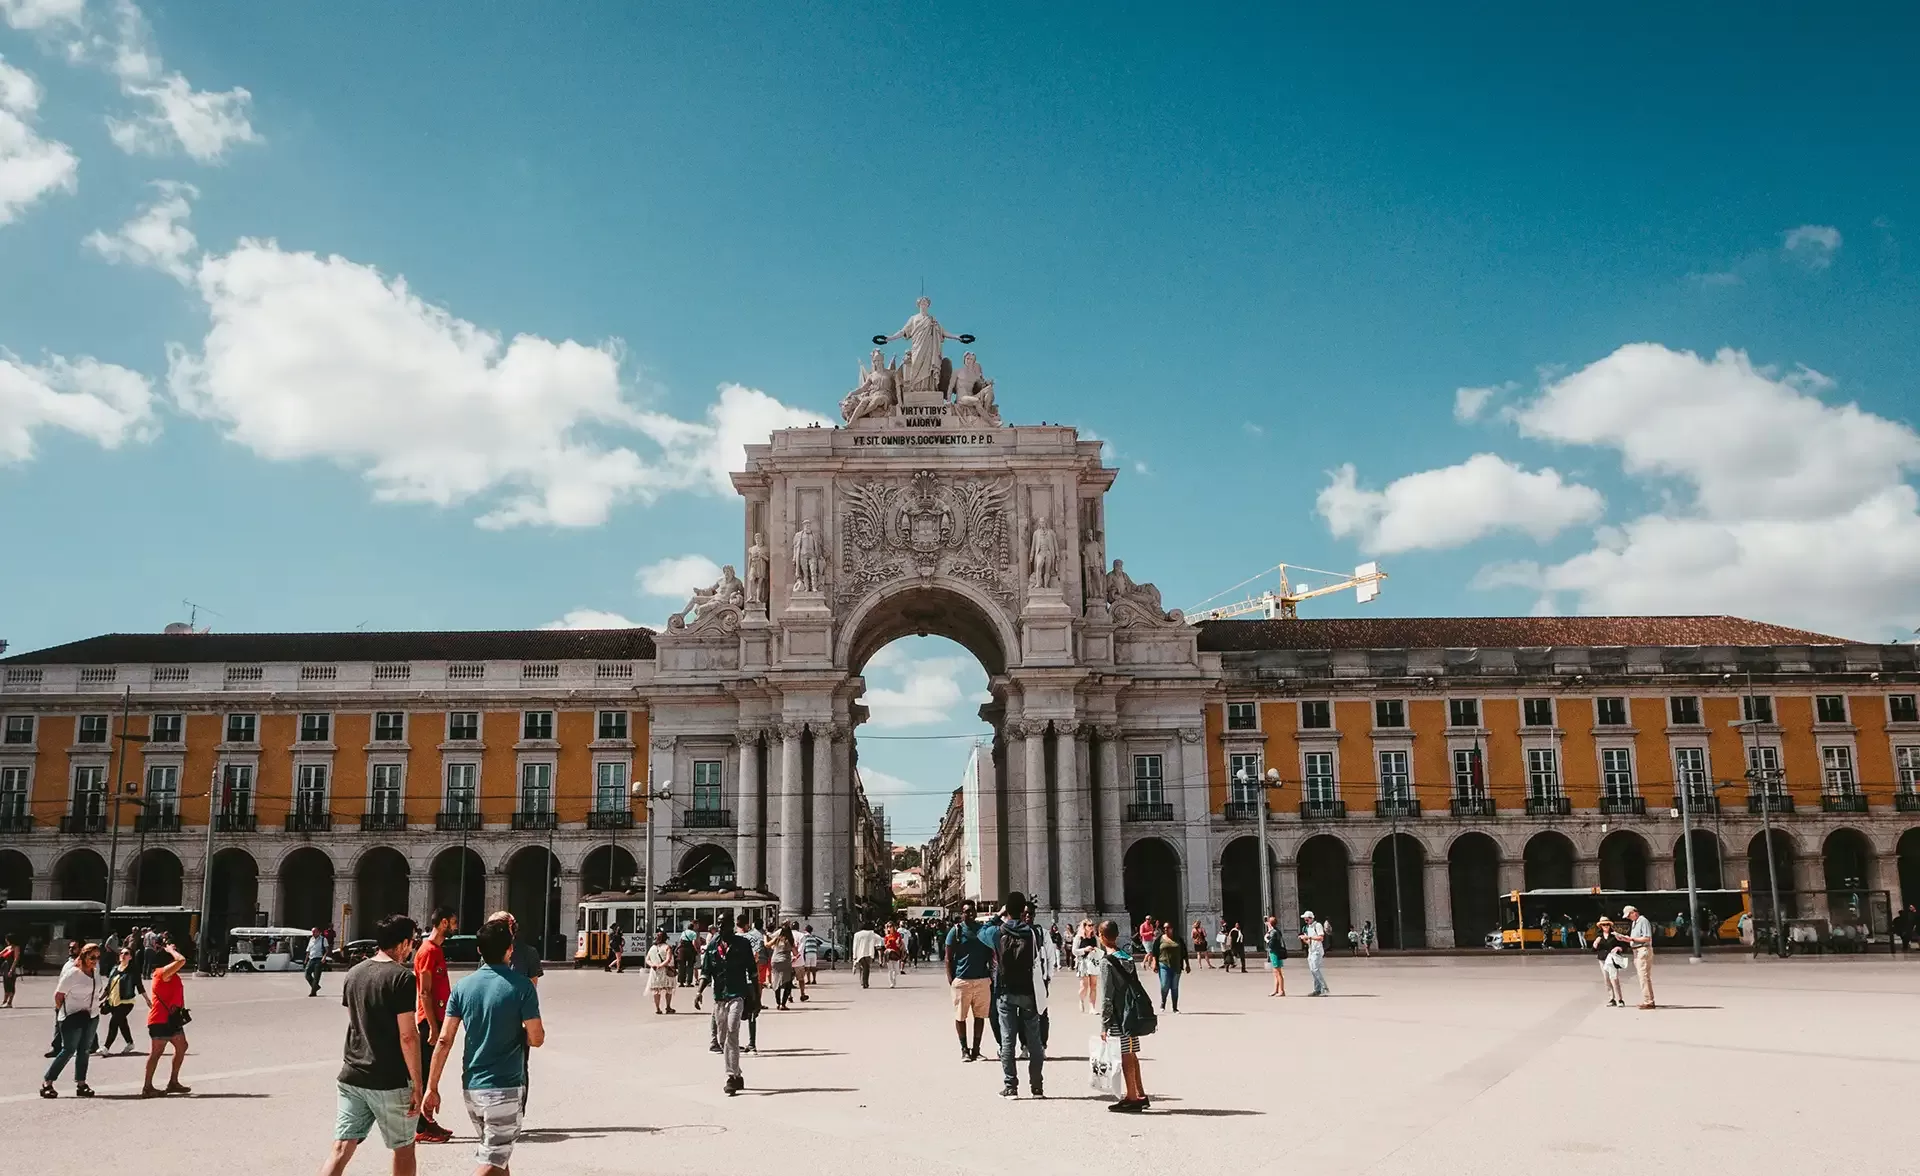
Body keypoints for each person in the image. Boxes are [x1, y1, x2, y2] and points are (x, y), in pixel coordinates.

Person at [425, 917, 544, 1174]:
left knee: (498, 1156)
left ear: (479, 950)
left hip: (472, 1089)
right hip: (504, 1089)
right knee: (491, 1162)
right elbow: (536, 1038)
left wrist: (432, 1087)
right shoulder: (522, 987)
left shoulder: (462, 988)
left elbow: (445, 1040)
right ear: (510, 949)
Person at [321, 915, 423, 1176]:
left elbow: (356, 1024)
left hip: (352, 1076)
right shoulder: (402, 978)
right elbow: (408, 1036)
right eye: (412, 942)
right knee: (404, 1148)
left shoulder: (354, 973)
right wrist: (418, 1083)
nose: (412, 948)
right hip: (389, 1079)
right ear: (401, 944)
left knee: (341, 1147)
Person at [981, 892, 1046, 1098]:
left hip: (1005, 991)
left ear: (1007, 910)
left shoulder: (997, 931)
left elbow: (982, 931)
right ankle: (1037, 1087)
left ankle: (1011, 1087)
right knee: (1034, 1041)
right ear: (1023, 911)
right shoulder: (1034, 932)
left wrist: (998, 915)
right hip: (1028, 991)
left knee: (1008, 1039)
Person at [411, 905, 457, 1145]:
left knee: (429, 1073)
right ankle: (420, 1127)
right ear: (443, 923)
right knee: (425, 1074)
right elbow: (425, 992)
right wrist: (433, 1027)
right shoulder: (428, 951)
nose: (456, 926)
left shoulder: (435, 949)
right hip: (430, 1021)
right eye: (453, 921)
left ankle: (426, 1122)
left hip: (435, 1018)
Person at [700, 912, 756, 1095]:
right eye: (719, 924)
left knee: (732, 1030)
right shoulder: (712, 947)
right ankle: (738, 1074)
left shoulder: (743, 944)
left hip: (737, 995)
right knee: (723, 1038)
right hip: (719, 997)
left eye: (725, 924)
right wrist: (698, 992)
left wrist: (756, 998)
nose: (721, 928)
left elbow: (753, 972)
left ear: (732, 926)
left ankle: (730, 1076)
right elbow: (706, 972)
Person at [1097, 920, 1150, 1113]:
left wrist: (1104, 1025)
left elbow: (1107, 997)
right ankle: (1140, 1093)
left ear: (1101, 937)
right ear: (1117, 935)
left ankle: (1132, 1097)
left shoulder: (1106, 962)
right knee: (1132, 1052)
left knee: (1126, 1055)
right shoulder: (1126, 956)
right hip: (1132, 1012)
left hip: (1120, 1016)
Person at [41, 940, 100, 1098]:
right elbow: (58, 995)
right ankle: (48, 1082)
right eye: (92, 957)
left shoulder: (95, 971)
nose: (95, 961)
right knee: (68, 1050)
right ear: (84, 956)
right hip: (72, 1017)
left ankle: (81, 1083)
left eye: (97, 957)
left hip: (91, 1016)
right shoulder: (73, 972)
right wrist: (65, 1013)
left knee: (84, 1050)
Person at [944, 899, 994, 1062]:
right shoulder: (956, 931)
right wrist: (952, 980)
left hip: (982, 979)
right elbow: (948, 958)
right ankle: (964, 1049)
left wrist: (991, 976)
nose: (970, 914)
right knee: (961, 1016)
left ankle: (976, 1050)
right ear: (962, 913)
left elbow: (991, 953)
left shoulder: (982, 930)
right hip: (962, 980)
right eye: (967, 911)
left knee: (980, 1016)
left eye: (973, 911)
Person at [142, 935, 191, 1097]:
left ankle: (173, 1082)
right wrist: (171, 950)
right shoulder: (162, 973)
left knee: (182, 1046)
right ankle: (147, 1086)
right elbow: (181, 960)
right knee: (156, 1052)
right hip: (160, 1019)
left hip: (172, 1019)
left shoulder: (171, 975)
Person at [98, 945, 146, 1053]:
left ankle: (106, 1047)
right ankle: (130, 1043)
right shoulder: (115, 968)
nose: (123, 955)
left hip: (126, 1002)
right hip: (113, 1001)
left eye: (126, 954)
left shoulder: (133, 971)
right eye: (122, 953)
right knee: (122, 1023)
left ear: (131, 957)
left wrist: (148, 1000)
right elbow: (109, 986)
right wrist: (100, 998)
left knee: (114, 1022)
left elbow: (139, 986)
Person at [1621, 904, 1657, 1009]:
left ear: (1634, 912)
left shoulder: (1642, 921)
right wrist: (1626, 939)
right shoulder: (1634, 923)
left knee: (1643, 977)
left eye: (1629, 915)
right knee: (1644, 977)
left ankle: (1648, 1001)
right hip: (1637, 951)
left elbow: (1647, 938)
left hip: (1643, 949)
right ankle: (1649, 999)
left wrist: (1632, 939)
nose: (1628, 918)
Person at [1592, 916, 1630, 1007]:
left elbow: (1624, 947)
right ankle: (1611, 999)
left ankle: (1620, 999)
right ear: (1600, 926)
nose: (1606, 926)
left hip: (1612, 959)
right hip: (1603, 959)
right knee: (1607, 979)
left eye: (1607, 924)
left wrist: (1618, 948)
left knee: (1614, 979)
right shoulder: (1599, 936)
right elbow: (1593, 949)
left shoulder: (1614, 935)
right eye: (1603, 925)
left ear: (1610, 925)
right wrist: (1595, 943)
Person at [1154, 922, 1188, 1012]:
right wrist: (1154, 964)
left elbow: (1184, 952)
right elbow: (1154, 952)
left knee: (1174, 987)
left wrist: (1187, 964)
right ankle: (1163, 1002)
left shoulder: (1178, 939)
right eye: (1164, 928)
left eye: (1168, 928)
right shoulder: (1160, 939)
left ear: (1172, 929)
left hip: (1176, 965)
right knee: (1164, 985)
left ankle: (1175, 1007)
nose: (1166, 929)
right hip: (1163, 964)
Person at [645, 932, 677, 1014]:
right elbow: (668, 959)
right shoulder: (667, 947)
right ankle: (668, 1007)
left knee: (656, 990)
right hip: (666, 971)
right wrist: (661, 965)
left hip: (655, 971)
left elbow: (647, 959)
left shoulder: (652, 948)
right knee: (668, 989)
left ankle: (657, 1008)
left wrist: (653, 965)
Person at [1300, 911, 1329, 996]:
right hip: (1311, 951)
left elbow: (1321, 937)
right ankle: (1317, 989)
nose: (1306, 921)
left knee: (1315, 969)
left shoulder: (1318, 925)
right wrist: (1304, 939)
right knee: (1313, 970)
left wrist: (1309, 937)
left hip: (1317, 951)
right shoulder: (1308, 927)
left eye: (1307, 919)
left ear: (1311, 918)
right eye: (1305, 920)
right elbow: (1309, 941)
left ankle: (1324, 988)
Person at [1074, 919, 1100, 1012]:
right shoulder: (1078, 938)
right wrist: (1084, 949)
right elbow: (1074, 951)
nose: (1091, 927)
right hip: (1083, 962)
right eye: (1089, 925)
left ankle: (1092, 1007)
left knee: (1094, 985)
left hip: (1093, 962)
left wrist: (1096, 951)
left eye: (1092, 925)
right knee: (1084, 986)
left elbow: (1099, 949)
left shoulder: (1095, 938)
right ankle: (1081, 1000)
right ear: (1084, 927)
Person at [768, 923, 796, 1010]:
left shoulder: (777, 939)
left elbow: (768, 945)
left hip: (775, 961)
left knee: (776, 982)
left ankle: (778, 1003)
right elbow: (795, 953)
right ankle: (783, 1004)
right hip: (785, 962)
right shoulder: (790, 940)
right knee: (788, 983)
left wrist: (765, 937)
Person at [1264, 915, 1288, 997]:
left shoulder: (1274, 932)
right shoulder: (1275, 930)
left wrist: (1266, 939)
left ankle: (1281, 990)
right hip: (1276, 952)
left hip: (1275, 953)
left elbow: (1271, 944)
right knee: (1275, 972)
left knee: (1278, 972)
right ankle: (1276, 990)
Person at [851, 923, 880, 988]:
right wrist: (875, 944)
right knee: (866, 968)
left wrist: (854, 956)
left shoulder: (857, 934)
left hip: (859, 954)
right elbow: (879, 939)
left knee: (863, 968)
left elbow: (855, 946)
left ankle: (863, 982)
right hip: (869, 953)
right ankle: (865, 982)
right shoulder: (871, 933)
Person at [306, 926, 329, 997]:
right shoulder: (311, 939)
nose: (313, 933)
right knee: (307, 974)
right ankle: (316, 987)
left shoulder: (323, 939)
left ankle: (313, 992)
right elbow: (308, 950)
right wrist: (306, 959)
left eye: (314, 932)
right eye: (312, 932)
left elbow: (327, 950)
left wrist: (324, 957)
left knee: (316, 976)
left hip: (319, 959)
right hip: (311, 959)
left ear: (318, 932)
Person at [882, 921, 904, 988]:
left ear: (893, 927)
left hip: (896, 953)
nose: (889, 928)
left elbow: (900, 943)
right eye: (888, 927)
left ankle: (894, 980)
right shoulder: (887, 936)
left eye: (891, 926)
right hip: (889, 953)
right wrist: (888, 943)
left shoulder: (897, 934)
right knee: (890, 969)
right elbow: (885, 946)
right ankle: (892, 983)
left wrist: (897, 942)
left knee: (896, 970)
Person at [2, 931, 21, 1007]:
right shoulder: (8, 947)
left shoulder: (16, 947)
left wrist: (11, 970)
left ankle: (9, 1002)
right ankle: (4, 1001)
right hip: (6, 966)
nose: (6, 941)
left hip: (11, 966)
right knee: (6, 984)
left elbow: (16, 959)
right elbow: (1, 954)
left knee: (11, 984)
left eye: (7, 939)